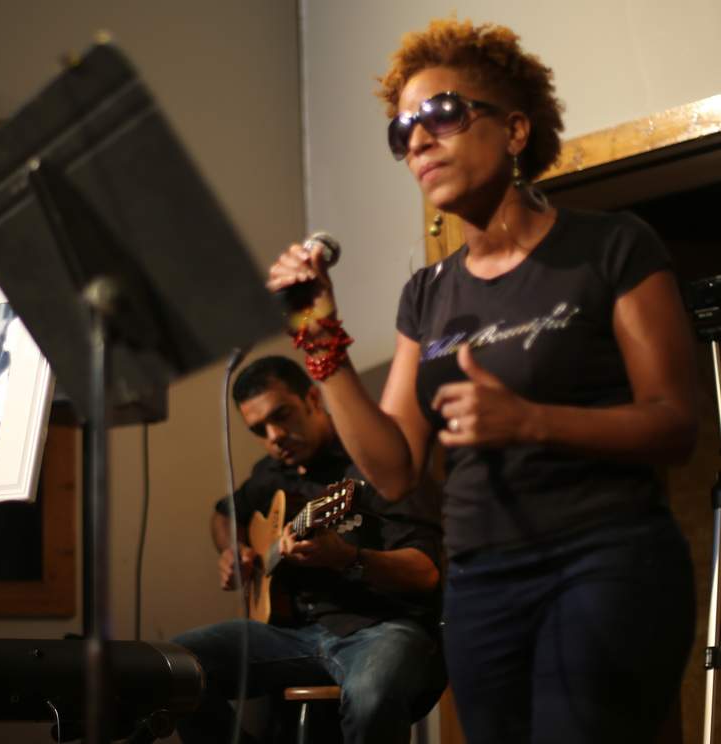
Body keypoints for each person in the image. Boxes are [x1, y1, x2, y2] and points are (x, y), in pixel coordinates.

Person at [266, 18, 698, 744]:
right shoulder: (428, 294)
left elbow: (677, 421)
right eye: (401, 130)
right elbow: (394, 470)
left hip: (602, 560)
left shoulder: (611, 246)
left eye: (441, 114)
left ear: (516, 129)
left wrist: (532, 421)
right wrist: (319, 342)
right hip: (481, 585)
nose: (418, 141)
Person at [174, 355, 446, 744]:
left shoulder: (376, 461)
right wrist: (234, 550)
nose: (274, 436)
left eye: (281, 416)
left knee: (372, 698)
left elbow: (425, 573)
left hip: (381, 627)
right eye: (259, 429)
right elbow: (223, 514)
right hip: (293, 633)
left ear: (314, 400)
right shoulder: (270, 473)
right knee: (176, 664)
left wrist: (348, 557)